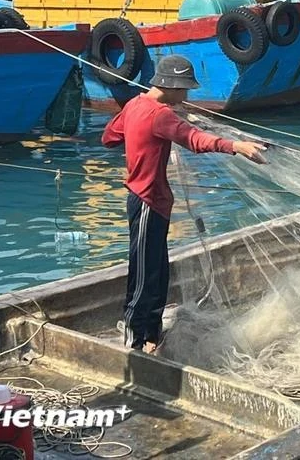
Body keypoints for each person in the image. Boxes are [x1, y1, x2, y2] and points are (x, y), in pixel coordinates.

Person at [102, 55, 266, 353]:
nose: (187, 95)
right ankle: (134, 341)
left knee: (158, 271)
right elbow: (194, 140)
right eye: (184, 89)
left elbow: (109, 137)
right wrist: (236, 146)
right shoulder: (159, 115)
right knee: (143, 274)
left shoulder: (136, 105)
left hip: (155, 203)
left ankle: (152, 335)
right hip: (147, 201)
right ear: (170, 86)